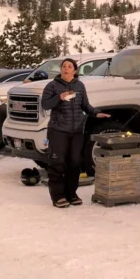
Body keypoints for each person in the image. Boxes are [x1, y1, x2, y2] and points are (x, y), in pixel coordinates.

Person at [41, 58, 110, 208]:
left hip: (77, 131)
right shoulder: (52, 85)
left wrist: (96, 113)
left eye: (69, 66)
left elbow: (85, 105)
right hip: (58, 130)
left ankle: (71, 193)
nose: (66, 69)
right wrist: (59, 97)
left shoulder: (80, 85)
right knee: (58, 162)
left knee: (74, 163)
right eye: (63, 66)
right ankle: (58, 195)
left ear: (75, 70)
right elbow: (45, 104)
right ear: (61, 70)